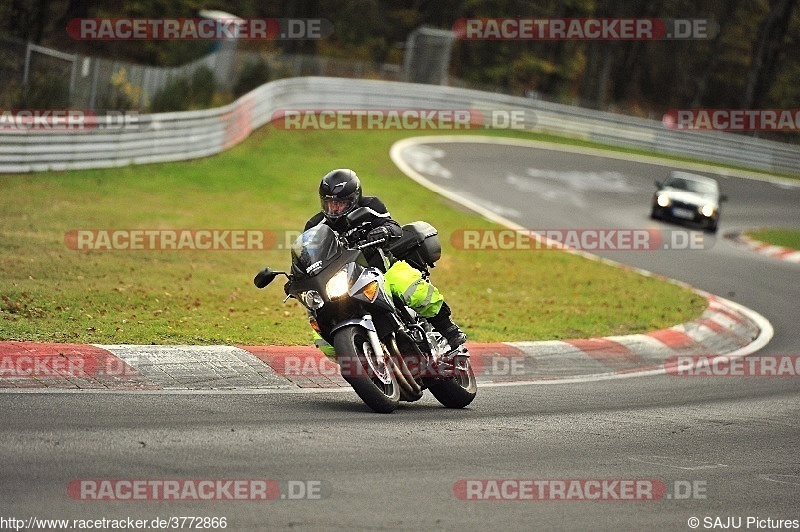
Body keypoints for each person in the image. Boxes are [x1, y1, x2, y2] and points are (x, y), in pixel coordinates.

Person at [304, 168, 467, 354]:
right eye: (329, 203)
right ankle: (362, 359)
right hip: (343, 279)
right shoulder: (315, 225)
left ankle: (447, 327)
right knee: (322, 324)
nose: (334, 208)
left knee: (406, 284)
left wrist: (384, 230)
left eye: (340, 203)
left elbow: (393, 226)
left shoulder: (371, 205)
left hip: (380, 268)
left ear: (354, 198)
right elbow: (308, 254)